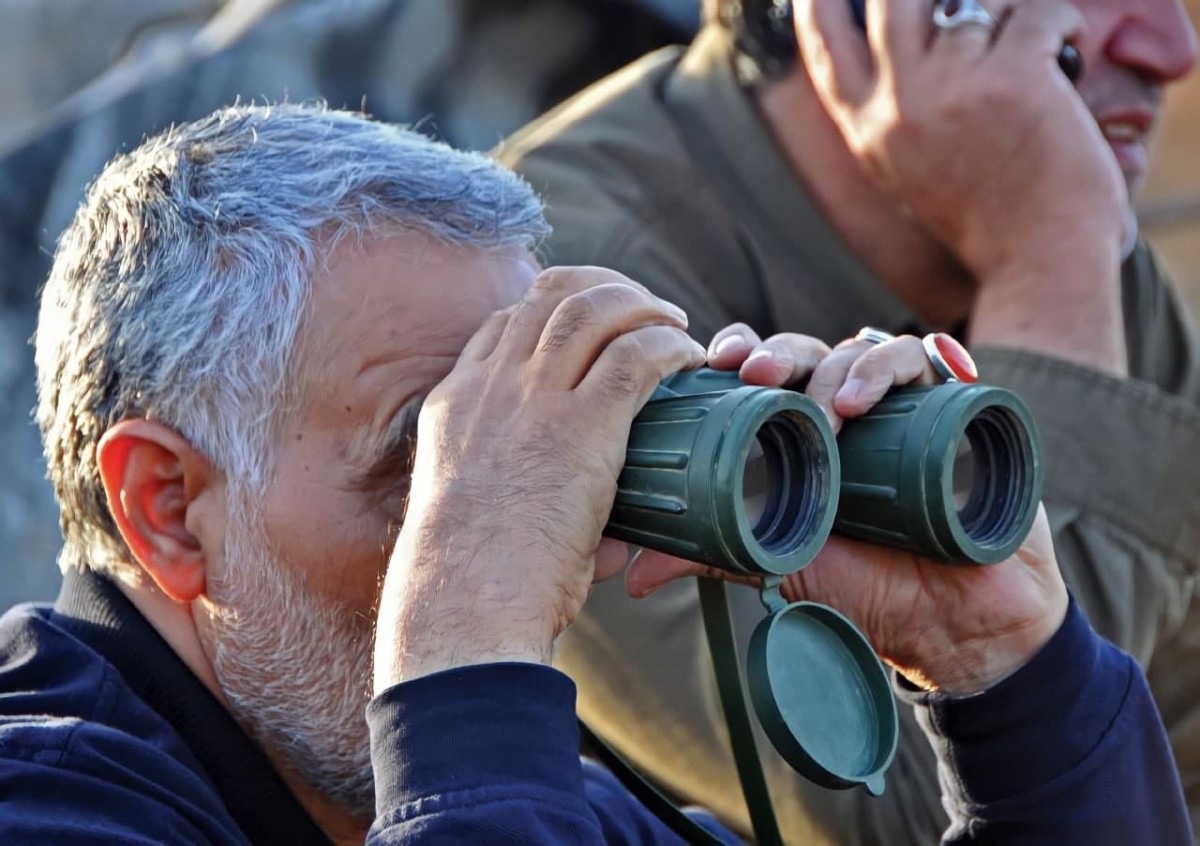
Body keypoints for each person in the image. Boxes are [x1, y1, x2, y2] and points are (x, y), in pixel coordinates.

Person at [0, 101, 1189, 844]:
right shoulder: (40, 802)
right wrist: (464, 653)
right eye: (441, 450)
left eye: (543, 442)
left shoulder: (524, 804)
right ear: (167, 507)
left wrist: (1018, 690)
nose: (544, 539)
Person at [496, 0, 1200, 840]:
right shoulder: (556, 287)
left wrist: (1056, 249)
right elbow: (897, 813)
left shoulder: (1063, 203)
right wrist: (1047, 261)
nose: (1171, 48)